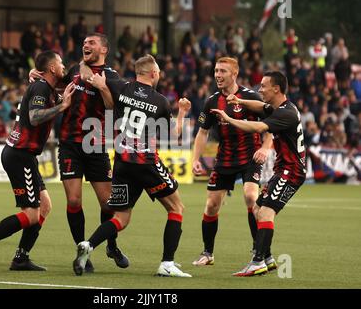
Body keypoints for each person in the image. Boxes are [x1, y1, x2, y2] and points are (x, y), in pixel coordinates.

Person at [73, 54, 193, 277]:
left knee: (121, 218)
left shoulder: (121, 87)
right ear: (154, 73)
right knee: (176, 208)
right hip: (146, 162)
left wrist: (97, 79)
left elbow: (88, 72)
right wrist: (183, 112)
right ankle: (167, 264)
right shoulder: (160, 101)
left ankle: (88, 245)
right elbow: (174, 135)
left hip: (121, 162)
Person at [0, 51, 75, 271]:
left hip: (25, 155)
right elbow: (34, 118)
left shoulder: (46, 86)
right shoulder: (41, 87)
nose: (63, 66)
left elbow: (67, 80)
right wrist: (62, 107)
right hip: (20, 155)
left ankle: (21, 258)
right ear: (52, 68)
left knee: (44, 207)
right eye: (60, 63)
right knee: (32, 213)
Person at [30, 33, 129, 273]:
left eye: (91, 42)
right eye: (84, 42)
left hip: (95, 145)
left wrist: (102, 87)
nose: (85, 44)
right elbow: (52, 80)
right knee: (74, 200)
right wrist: (36, 75)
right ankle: (81, 251)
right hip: (70, 144)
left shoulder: (113, 77)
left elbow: (112, 108)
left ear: (103, 49)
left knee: (108, 204)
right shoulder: (75, 69)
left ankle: (111, 245)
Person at [211, 71, 306, 276]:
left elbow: (258, 126)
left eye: (263, 86)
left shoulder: (285, 114)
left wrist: (229, 118)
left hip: (292, 172)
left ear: (276, 89)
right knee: (258, 208)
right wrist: (240, 101)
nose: (259, 89)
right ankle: (268, 258)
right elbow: (261, 108)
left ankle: (257, 262)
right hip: (284, 170)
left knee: (265, 212)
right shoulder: (280, 108)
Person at [191, 57, 274, 268]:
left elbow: (271, 126)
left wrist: (265, 148)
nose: (218, 75)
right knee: (211, 205)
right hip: (225, 158)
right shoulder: (211, 101)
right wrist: (195, 159)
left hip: (250, 157)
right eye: (216, 71)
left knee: (250, 197)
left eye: (223, 71)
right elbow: (203, 132)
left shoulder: (250, 97)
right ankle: (207, 252)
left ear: (234, 74)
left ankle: (260, 250)